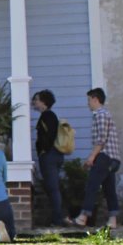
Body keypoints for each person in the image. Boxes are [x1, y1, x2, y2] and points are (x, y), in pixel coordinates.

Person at [74, 88, 120, 229]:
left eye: (89, 100)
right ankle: (112, 219)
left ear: (95, 99)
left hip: (104, 156)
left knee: (92, 186)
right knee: (109, 188)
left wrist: (92, 157)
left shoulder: (100, 115)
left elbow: (101, 139)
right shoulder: (105, 114)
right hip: (113, 157)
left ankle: (83, 216)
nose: (88, 103)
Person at [32, 89, 70, 226]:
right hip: (55, 155)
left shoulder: (47, 116)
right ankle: (60, 217)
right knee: (53, 187)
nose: (34, 102)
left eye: (36, 99)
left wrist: (43, 151)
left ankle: (58, 219)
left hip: (50, 156)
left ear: (44, 102)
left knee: (53, 188)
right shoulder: (50, 116)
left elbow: (49, 136)